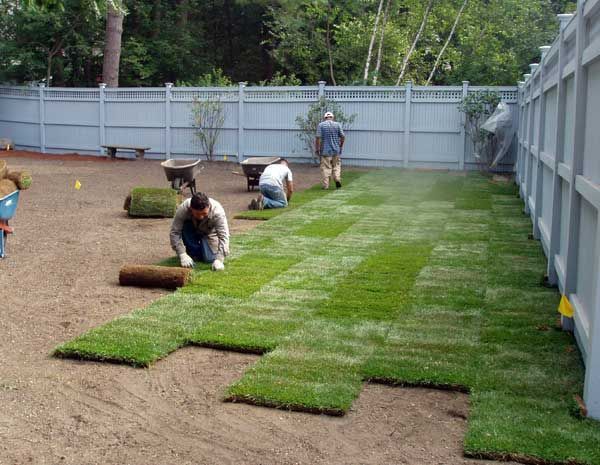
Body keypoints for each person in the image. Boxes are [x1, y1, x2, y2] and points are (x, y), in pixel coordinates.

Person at [170, 192, 229, 271]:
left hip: (209, 232)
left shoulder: (218, 212)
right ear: (191, 208)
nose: (201, 217)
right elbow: (175, 232)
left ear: (209, 206)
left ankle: (200, 248)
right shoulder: (183, 208)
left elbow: (224, 236)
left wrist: (220, 259)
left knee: (209, 258)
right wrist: (182, 254)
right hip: (191, 229)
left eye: (204, 213)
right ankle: (193, 252)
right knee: (194, 256)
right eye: (197, 214)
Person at [315, 111, 345, 189]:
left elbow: (318, 138)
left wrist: (317, 149)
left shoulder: (321, 125)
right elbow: (342, 136)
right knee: (336, 166)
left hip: (325, 151)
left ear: (325, 117)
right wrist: (341, 146)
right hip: (336, 150)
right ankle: (337, 179)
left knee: (326, 168)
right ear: (333, 117)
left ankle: (326, 185)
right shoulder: (337, 125)